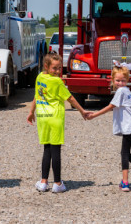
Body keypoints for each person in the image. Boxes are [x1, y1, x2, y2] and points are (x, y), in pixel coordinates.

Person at [27, 52, 89, 193]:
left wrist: (31, 112)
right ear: (46, 66)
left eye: (59, 68)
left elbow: (37, 96)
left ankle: (43, 182)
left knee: (47, 149)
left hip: (43, 117)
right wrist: (82, 111)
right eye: (54, 68)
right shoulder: (57, 82)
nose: (57, 71)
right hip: (55, 118)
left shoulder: (40, 77)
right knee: (55, 150)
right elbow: (70, 98)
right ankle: (57, 183)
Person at [87, 63, 131, 192]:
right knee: (126, 152)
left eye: (123, 81)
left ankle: (125, 182)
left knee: (124, 153)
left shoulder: (121, 91)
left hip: (129, 126)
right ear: (112, 80)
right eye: (117, 80)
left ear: (127, 80)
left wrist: (94, 115)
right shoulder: (126, 90)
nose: (120, 83)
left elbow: (111, 106)